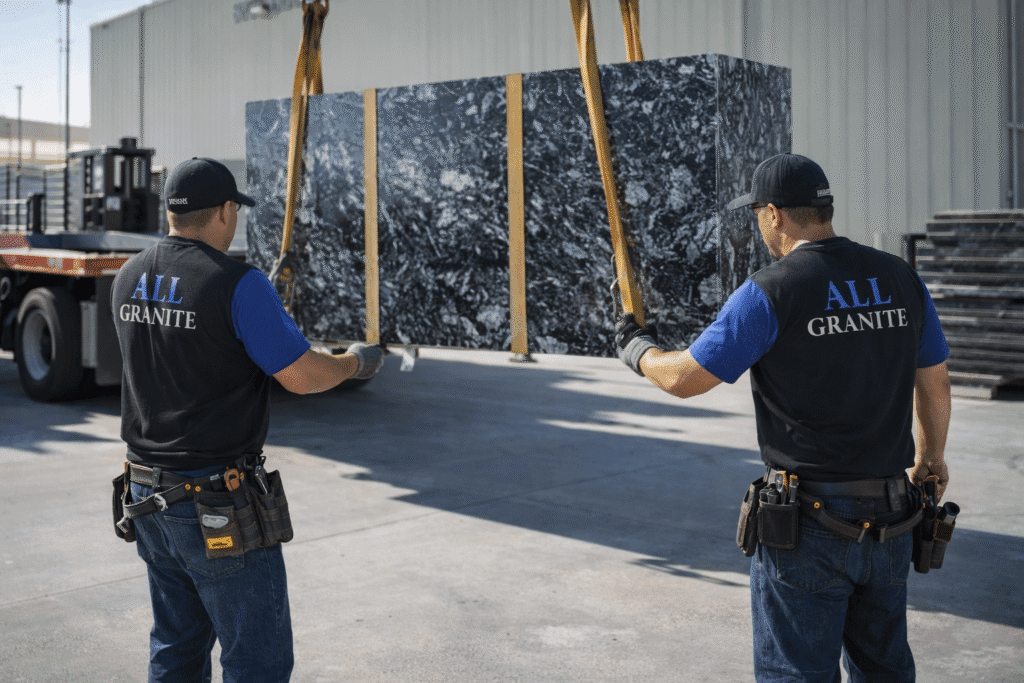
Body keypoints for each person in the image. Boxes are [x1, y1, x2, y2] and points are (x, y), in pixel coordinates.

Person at [615, 153, 951, 683]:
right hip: (892, 516)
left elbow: (686, 377)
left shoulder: (772, 291)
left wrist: (637, 349)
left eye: (757, 215)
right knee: (884, 670)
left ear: (773, 214)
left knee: (795, 673)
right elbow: (933, 379)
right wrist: (931, 458)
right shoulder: (899, 278)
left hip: (808, 527)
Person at [110, 157, 385, 682]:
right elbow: (302, 376)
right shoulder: (236, 283)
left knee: (176, 646)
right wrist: (354, 362)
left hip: (146, 496)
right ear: (224, 212)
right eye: (235, 211)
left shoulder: (129, 276)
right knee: (256, 661)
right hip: (215, 504)